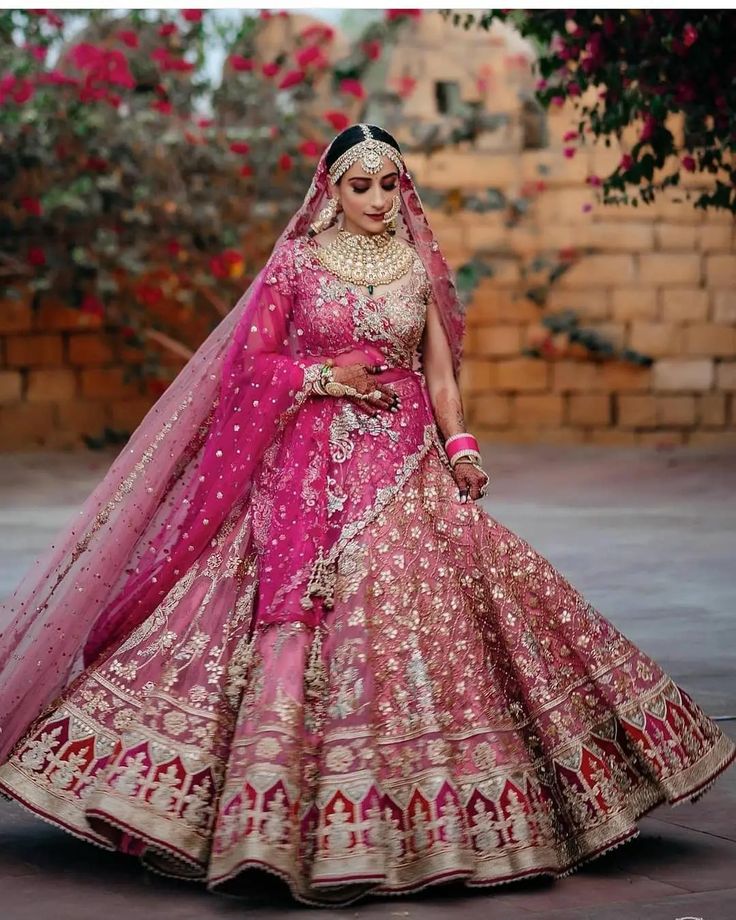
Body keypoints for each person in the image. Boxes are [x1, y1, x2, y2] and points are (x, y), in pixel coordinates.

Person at [0, 123, 733, 909]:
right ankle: (263, 816)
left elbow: (440, 378)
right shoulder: (297, 264)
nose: (379, 200)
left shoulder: (416, 271)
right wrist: (320, 376)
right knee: (285, 614)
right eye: (361, 185)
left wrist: (462, 450)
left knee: (450, 596)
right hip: (307, 476)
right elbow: (251, 366)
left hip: (409, 466)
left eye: (390, 185)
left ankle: (446, 816)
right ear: (332, 190)